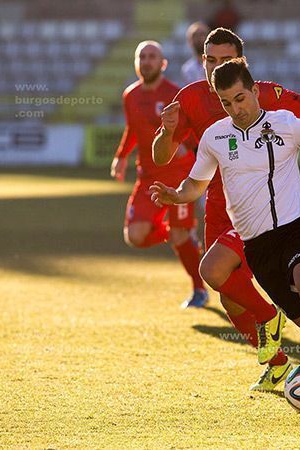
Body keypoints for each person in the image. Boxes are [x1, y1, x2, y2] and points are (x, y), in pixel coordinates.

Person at [150, 58, 300, 410]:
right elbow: (195, 183)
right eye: (226, 102)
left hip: (298, 227)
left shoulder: (286, 124)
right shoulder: (215, 138)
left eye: (240, 98)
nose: (236, 108)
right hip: (257, 245)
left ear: (254, 91)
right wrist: (176, 195)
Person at [152, 28, 300, 391]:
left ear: (242, 63)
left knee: (220, 272)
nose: (216, 66)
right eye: (210, 60)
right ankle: (280, 363)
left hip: (263, 208)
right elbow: (163, 157)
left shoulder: (263, 93)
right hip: (218, 206)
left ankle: (277, 322)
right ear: (202, 60)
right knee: (229, 297)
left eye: (226, 60)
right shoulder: (189, 98)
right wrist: (166, 130)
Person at [110, 41, 208, 308]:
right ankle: (183, 237)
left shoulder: (176, 94)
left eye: (152, 57)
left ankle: (199, 290)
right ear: (136, 62)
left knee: (179, 236)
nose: (147, 61)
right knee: (136, 236)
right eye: (142, 56)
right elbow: (133, 129)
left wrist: (185, 147)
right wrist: (121, 156)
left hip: (178, 178)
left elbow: (197, 130)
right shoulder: (130, 95)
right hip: (147, 178)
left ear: (163, 63)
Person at [181, 22, 210, 87]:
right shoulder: (187, 68)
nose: (199, 38)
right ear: (189, 40)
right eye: (195, 35)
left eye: (202, 34)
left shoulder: (216, 64)